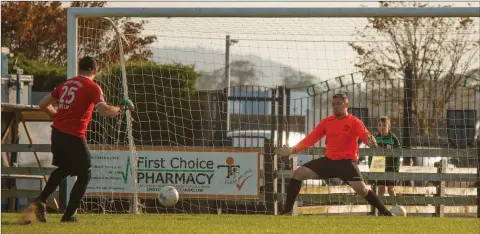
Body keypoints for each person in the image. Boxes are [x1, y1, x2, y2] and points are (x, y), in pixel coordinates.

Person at [29, 56, 134, 223]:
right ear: (95, 71)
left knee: (64, 169)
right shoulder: (92, 87)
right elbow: (104, 111)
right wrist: (121, 108)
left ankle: (40, 200)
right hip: (73, 135)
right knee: (85, 173)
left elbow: (43, 103)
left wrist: (55, 115)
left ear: (79, 69)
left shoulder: (66, 84)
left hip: (57, 133)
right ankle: (68, 216)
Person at [275, 93, 394, 216]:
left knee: (362, 190)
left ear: (346, 105)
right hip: (329, 161)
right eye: (333, 104)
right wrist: (293, 149)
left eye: (338, 104)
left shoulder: (355, 122)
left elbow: (365, 135)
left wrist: (369, 141)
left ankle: (385, 212)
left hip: (347, 164)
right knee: (298, 173)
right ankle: (287, 210)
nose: (335, 106)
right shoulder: (327, 122)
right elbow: (311, 138)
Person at [368, 116, 401, 196]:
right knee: (381, 188)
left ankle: (395, 207)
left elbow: (398, 153)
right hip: (379, 167)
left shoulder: (393, 138)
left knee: (390, 189)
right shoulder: (376, 138)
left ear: (389, 127)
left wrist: (396, 167)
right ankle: (379, 207)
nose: (381, 127)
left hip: (391, 168)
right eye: (379, 125)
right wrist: (370, 165)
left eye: (384, 125)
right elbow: (371, 154)